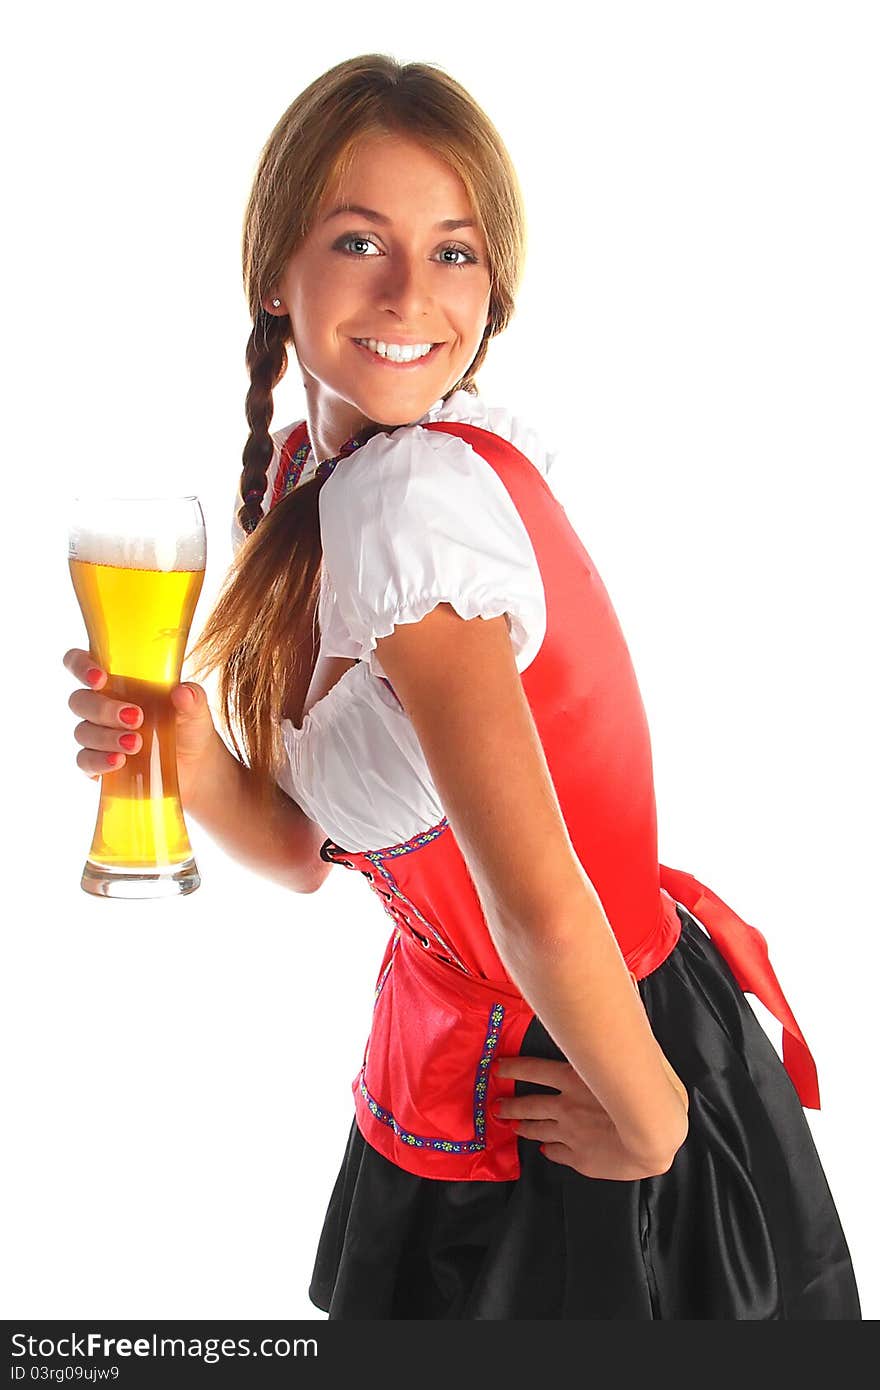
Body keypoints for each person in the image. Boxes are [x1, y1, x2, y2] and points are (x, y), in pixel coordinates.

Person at [63, 53, 861, 1320]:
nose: (409, 293)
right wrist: (186, 750)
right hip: (465, 1051)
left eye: (454, 253)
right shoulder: (317, 480)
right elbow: (305, 850)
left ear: (495, 287)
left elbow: (541, 905)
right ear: (276, 271)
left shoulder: (415, 503)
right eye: (358, 239)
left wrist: (658, 1122)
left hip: (593, 1052)